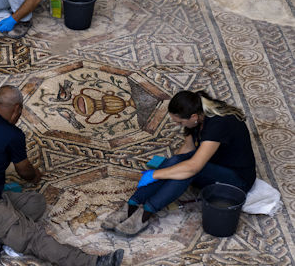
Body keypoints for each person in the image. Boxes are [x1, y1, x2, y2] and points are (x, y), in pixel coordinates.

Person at [0, 85, 124, 266]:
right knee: (34, 237)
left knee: (36, 203)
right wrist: (36, 176)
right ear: (17, 109)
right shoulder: (12, 135)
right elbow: (25, 172)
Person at [103, 90, 257, 236]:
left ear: (194, 117)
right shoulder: (196, 115)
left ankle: (146, 213)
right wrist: (169, 168)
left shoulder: (218, 125)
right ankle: (132, 204)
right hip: (214, 165)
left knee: (190, 170)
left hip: (237, 180)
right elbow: (187, 149)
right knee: (177, 163)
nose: (180, 126)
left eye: (181, 122)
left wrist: (156, 174)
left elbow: (193, 167)